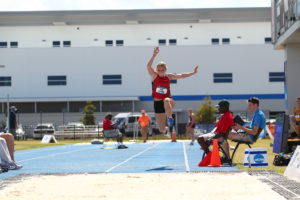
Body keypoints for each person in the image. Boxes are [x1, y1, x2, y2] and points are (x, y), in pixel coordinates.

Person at [147, 46, 198, 133]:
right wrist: (154, 55)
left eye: (162, 70)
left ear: (165, 70)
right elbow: (148, 66)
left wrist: (193, 73)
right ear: (156, 70)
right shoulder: (154, 76)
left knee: (166, 100)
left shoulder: (169, 76)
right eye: (159, 70)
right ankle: (166, 129)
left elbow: (181, 76)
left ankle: (170, 118)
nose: (160, 71)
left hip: (169, 101)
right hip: (157, 103)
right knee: (162, 129)